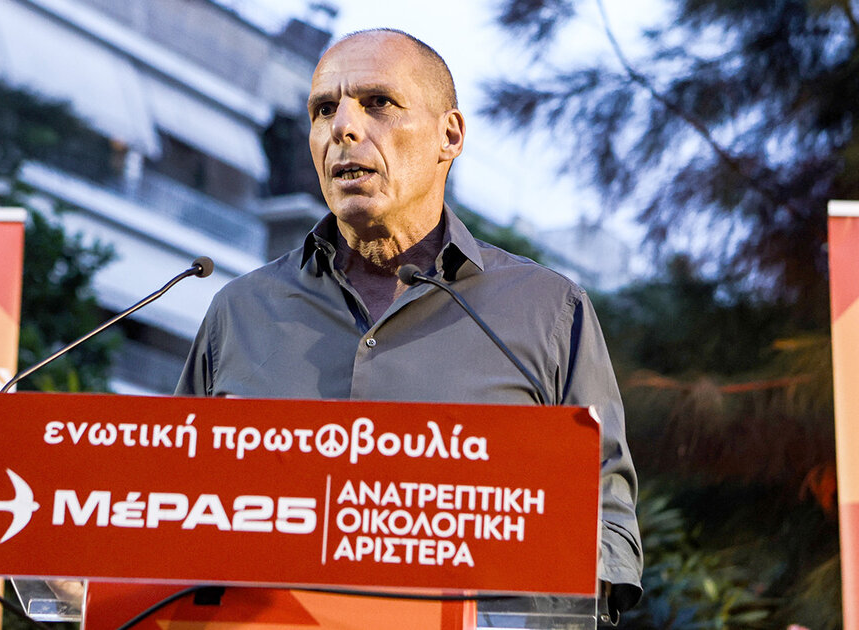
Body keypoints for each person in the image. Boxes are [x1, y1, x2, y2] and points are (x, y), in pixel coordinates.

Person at [176, 28, 642, 619]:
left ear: (450, 136)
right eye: (324, 110)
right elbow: (172, 510)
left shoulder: (548, 311)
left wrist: (495, 558)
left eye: (378, 102)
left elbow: (608, 525)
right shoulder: (238, 310)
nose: (344, 128)